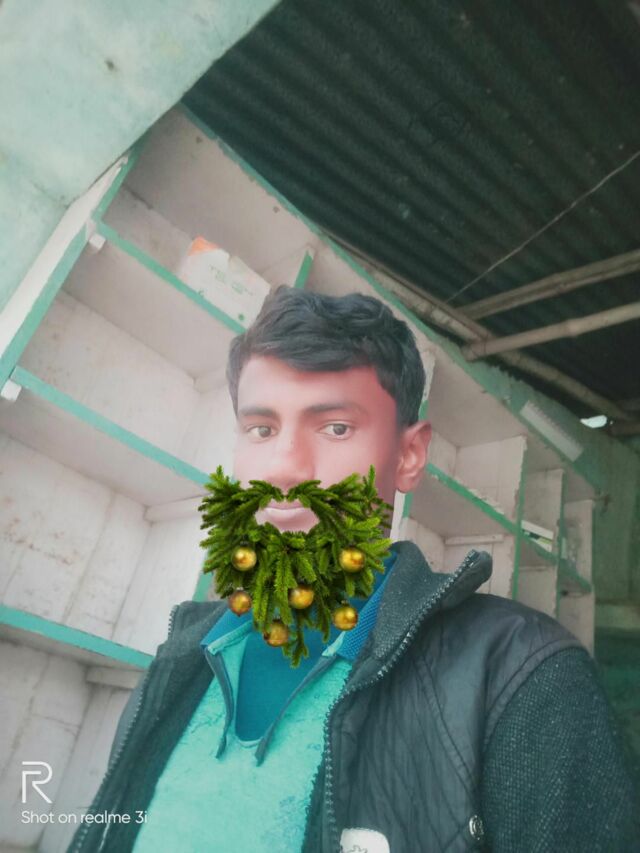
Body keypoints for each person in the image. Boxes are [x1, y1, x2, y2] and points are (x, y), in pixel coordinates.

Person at [70, 287, 637, 853]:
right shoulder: (182, 655)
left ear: (408, 456)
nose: (283, 469)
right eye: (261, 429)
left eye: (335, 427)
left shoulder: (522, 676)